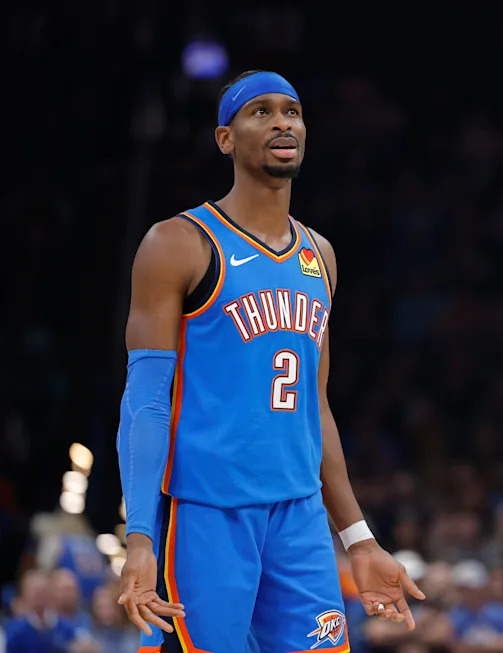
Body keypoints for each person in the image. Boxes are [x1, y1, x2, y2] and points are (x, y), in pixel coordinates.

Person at [115, 70, 424, 652]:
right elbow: (146, 401)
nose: (283, 122)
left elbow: (316, 408)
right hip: (206, 514)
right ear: (225, 138)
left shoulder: (320, 255)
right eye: (261, 111)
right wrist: (139, 537)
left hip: (299, 519)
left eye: (292, 111)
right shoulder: (177, 244)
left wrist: (358, 538)